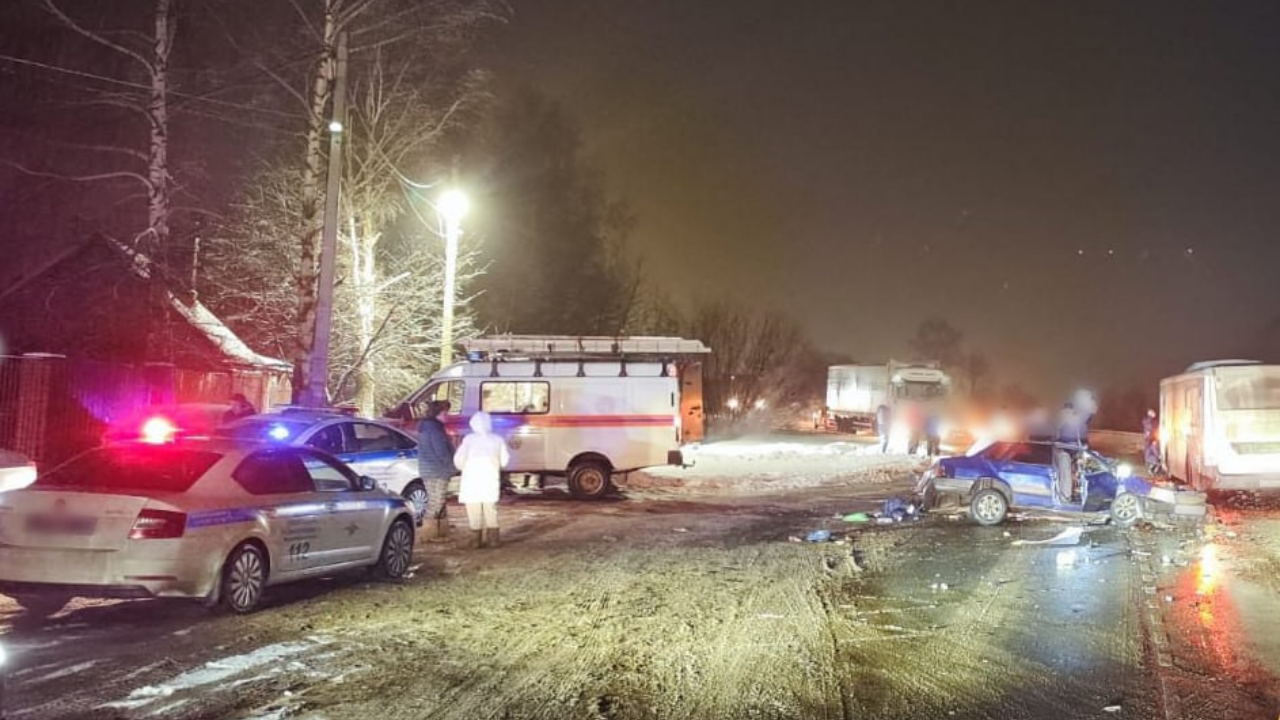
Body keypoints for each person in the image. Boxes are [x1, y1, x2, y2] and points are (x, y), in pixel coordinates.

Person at [452, 411, 510, 549]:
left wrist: (463, 467)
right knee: (490, 508)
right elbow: (505, 460)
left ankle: (475, 540)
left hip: (471, 480)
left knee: (473, 508)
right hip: (490, 478)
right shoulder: (498, 439)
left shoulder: (469, 439)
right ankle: (493, 540)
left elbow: (459, 460)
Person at [417, 400, 456, 540]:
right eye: (445, 412)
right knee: (436, 501)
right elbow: (441, 452)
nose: (447, 416)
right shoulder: (435, 430)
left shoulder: (427, 428)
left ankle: (439, 531)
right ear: (439, 413)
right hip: (437, 471)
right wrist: (452, 467)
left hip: (429, 469)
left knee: (438, 500)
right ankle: (428, 533)